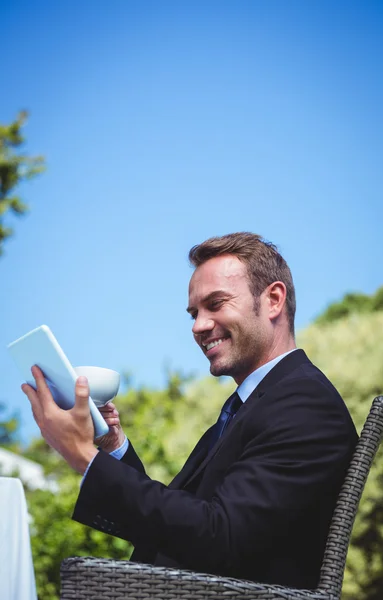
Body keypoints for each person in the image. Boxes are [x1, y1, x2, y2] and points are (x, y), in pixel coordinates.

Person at [22, 232, 358, 588]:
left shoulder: (304, 404)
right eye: (194, 313)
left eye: (216, 304)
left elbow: (220, 538)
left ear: (273, 299)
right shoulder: (254, 404)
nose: (198, 326)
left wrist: (81, 454)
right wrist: (111, 447)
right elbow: (181, 518)